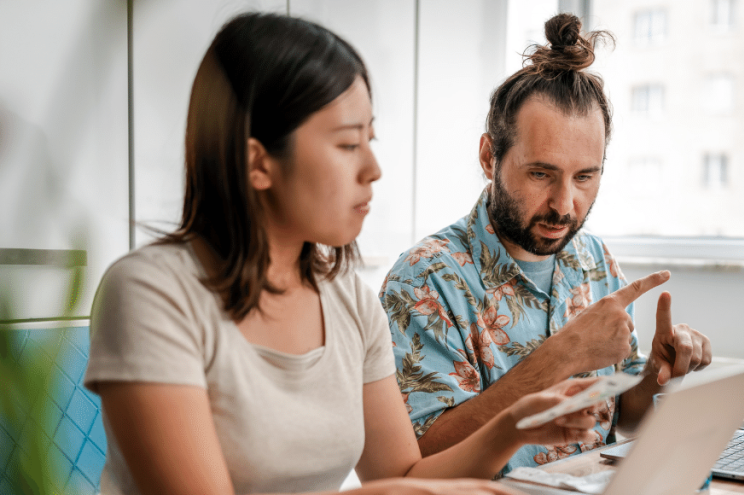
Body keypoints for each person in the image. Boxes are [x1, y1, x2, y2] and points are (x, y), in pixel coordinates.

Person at [85, 12, 603, 495]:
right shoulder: (150, 293)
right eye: (348, 144)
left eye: (371, 139)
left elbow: (404, 473)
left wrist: (512, 427)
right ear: (257, 163)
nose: (374, 168)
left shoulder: (348, 302)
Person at [380, 12, 713, 474]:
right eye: (541, 174)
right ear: (488, 156)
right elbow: (420, 462)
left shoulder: (594, 260)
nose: (564, 205)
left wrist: (656, 372)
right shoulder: (424, 279)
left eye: (584, 177)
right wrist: (561, 357)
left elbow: (622, 417)